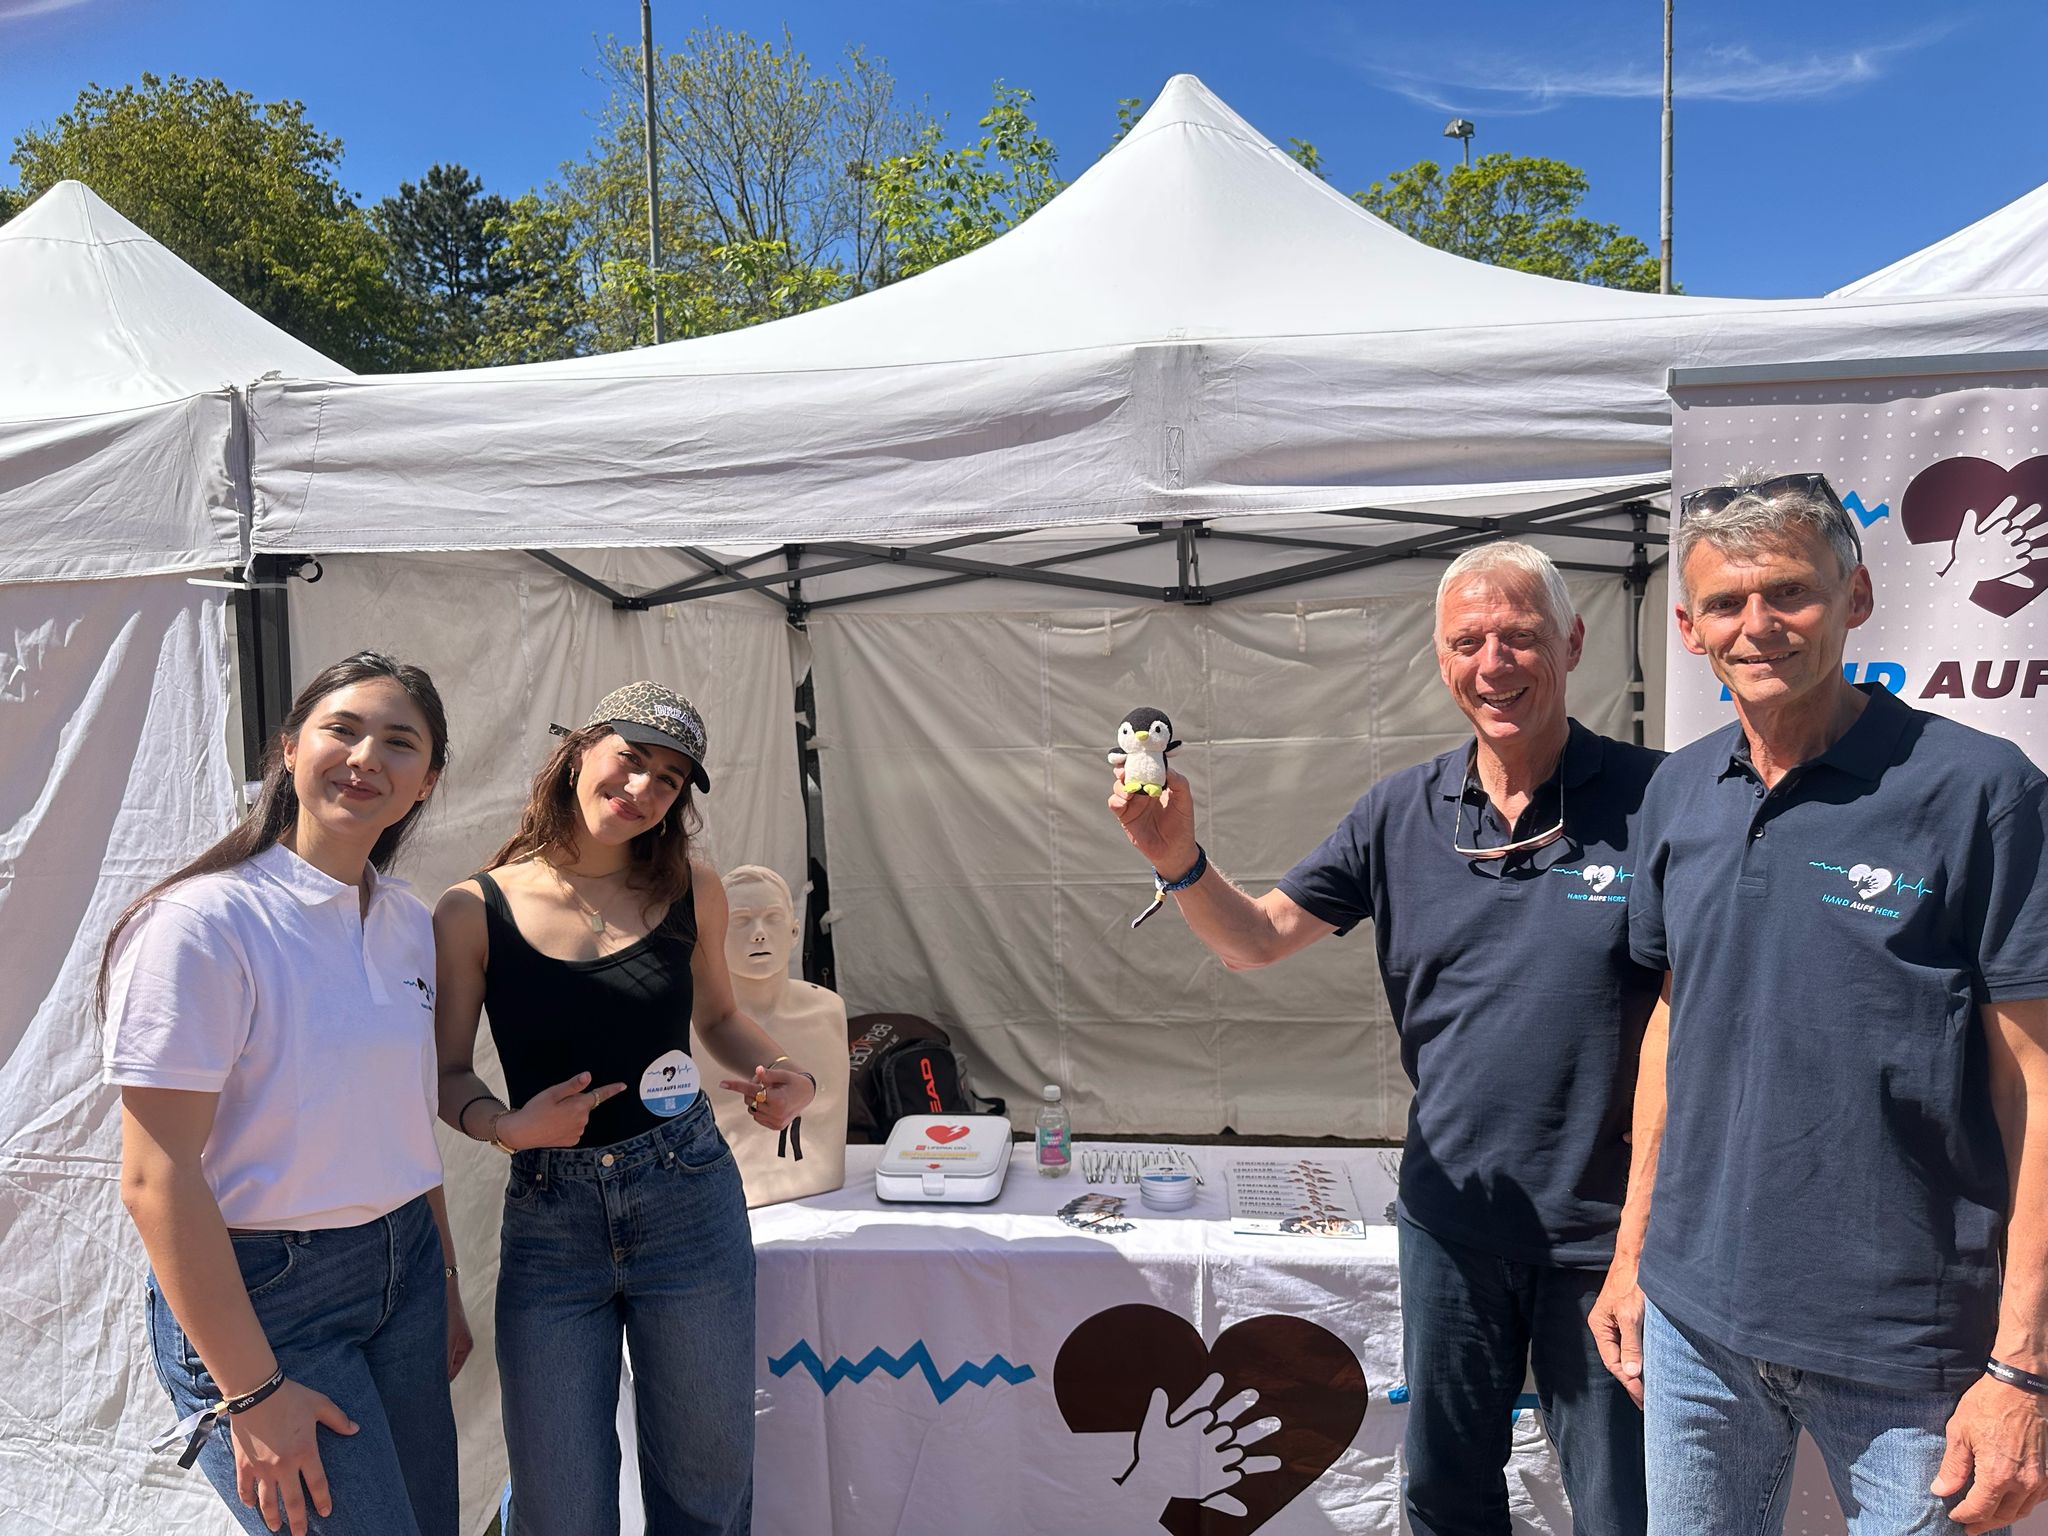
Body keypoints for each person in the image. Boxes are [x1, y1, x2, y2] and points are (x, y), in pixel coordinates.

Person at [1107, 542, 1661, 1535]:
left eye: (1519, 637)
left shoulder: (1658, 799)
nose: (1492, 663)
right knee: (1445, 1497)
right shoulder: (1399, 812)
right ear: (1440, 659)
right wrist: (1179, 860)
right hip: (1451, 1223)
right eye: (1467, 642)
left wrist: (1642, 1240)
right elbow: (1257, 940)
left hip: (1605, 1236)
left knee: (1624, 1508)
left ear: (1573, 643)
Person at [1590, 473, 2048, 1535]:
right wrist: (1631, 1255)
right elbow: (1672, 1027)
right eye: (1724, 602)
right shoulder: (1676, 792)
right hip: (1694, 1321)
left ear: (1857, 597)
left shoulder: (1980, 791)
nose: (1757, 624)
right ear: (1688, 628)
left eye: (1789, 591)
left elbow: (2035, 1083)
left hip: (1909, 1348)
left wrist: (2023, 1365)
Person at [434, 682, 817, 1536]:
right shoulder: (472, 908)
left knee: (705, 1492)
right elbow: (447, 1074)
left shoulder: (691, 887)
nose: (643, 789)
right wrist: (504, 1127)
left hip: (687, 1196)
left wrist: (789, 1074)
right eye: (631, 760)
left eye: (669, 780)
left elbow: (719, 1019)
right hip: (551, 1218)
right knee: (560, 1506)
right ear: (579, 753)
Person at [102, 652, 468, 1536]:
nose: (366, 757)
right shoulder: (202, 924)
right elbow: (154, 1176)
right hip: (269, 1295)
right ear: (290, 747)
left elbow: (401, 1121)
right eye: (343, 730)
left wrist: (443, 1280)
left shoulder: (409, 921)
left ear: (426, 782)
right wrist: (252, 1392)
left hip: (406, 1269)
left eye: (400, 743)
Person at [698, 864, 851, 1205]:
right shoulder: (696, 1025)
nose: (759, 934)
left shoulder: (827, 1011)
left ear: (795, 932)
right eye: (741, 921)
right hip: (732, 1196)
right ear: (716, 934)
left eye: (772, 918)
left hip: (820, 1183)